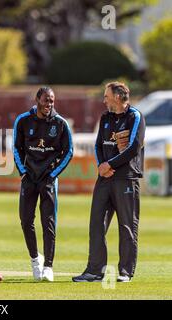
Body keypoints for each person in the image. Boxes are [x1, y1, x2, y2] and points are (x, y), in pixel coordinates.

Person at [72, 82, 146, 283]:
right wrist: (101, 166)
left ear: (118, 97)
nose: (103, 99)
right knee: (97, 223)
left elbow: (133, 147)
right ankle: (95, 271)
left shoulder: (135, 117)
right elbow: (97, 146)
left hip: (126, 178)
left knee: (127, 226)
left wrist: (110, 164)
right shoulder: (105, 118)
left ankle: (125, 272)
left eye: (107, 96)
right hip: (104, 178)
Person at [13, 87, 73, 282]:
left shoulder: (60, 123)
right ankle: (35, 260)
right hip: (29, 178)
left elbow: (69, 152)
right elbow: (16, 148)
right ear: (37, 99)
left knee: (48, 223)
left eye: (52, 101)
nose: (49, 104)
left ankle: (48, 266)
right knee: (25, 220)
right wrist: (23, 172)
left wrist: (53, 175)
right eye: (46, 100)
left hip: (48, 180)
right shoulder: (23, 120)